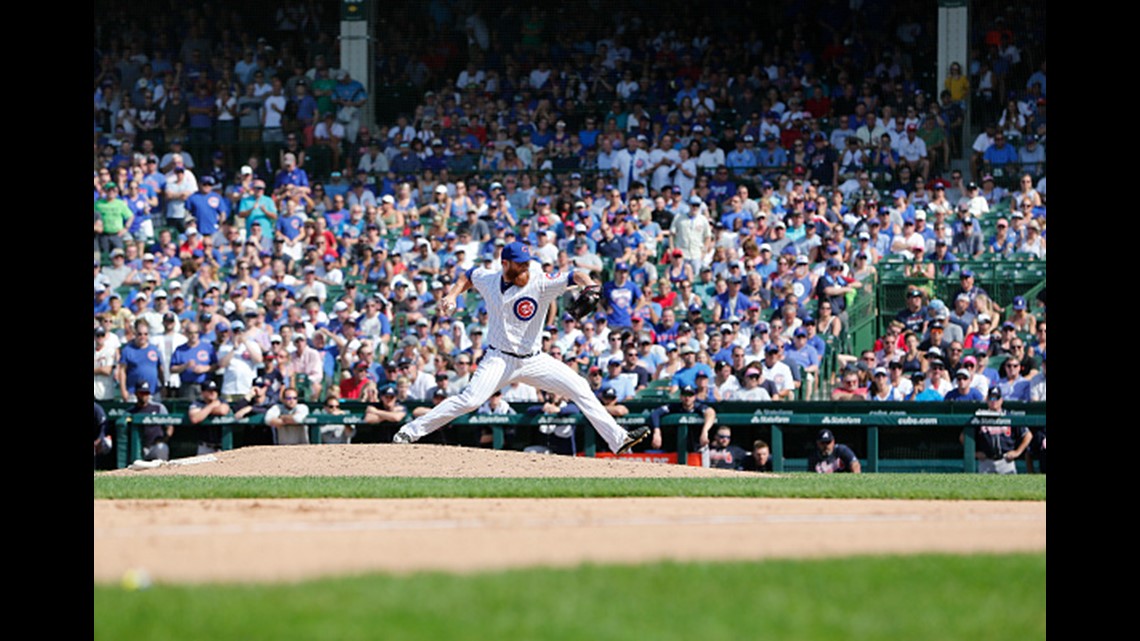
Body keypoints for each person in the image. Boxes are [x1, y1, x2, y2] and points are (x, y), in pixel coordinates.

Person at [392, 242, 649, 454]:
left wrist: (590, 286)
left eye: (527, 262)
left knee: (580, 386)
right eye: (520, 263)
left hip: (534, 360)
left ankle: (619, 439)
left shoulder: (540, 282)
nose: (526, 267)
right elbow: (467, 276)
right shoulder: (490, 279)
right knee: (469, 400)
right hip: (498, 359)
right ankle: (409, 432)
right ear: (505, 264)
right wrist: (451, 295)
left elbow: (574, 275)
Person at [961, 386, 1032, 474]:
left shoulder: (1009, 416)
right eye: (991, 398)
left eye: (996, 398)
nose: (994, 401)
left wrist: (1017, 452)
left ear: (1001, 400)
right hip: (986, 461)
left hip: (1006, 460)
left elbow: (1028, 435)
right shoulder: (980, 416)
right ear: (987, 399)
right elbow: (963, 436)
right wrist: (974, 453)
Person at [648, 383, 717, 451]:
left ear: (694, 397)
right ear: (680, 396)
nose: (687, 398)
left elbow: (710, 412)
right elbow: (656, 413)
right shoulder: (675, 407)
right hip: (675, 448)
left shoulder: (698, 407)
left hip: (697, 448)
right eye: (685, 395)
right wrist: (657, 432)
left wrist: (705, 432)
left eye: (690, 395)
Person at [127, 381, 172, 461]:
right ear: (136, 393)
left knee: (162, 447)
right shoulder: (131, 411)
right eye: (142, 393)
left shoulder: (158, 407)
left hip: (155, 446)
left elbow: (170, 426)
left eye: (146, 393)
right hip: (139, 448)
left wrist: (164, 439)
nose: (144, 396)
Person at [187, 380, 231, 455]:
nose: (213, 393)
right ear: (203, 393)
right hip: (205, 446)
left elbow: (223, 410)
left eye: (215, 390)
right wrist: (211, 406)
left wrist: (204, 411)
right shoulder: (197, 403)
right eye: (209, 390)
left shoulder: (221, 401)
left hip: (221, 446)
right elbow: (195, 418)